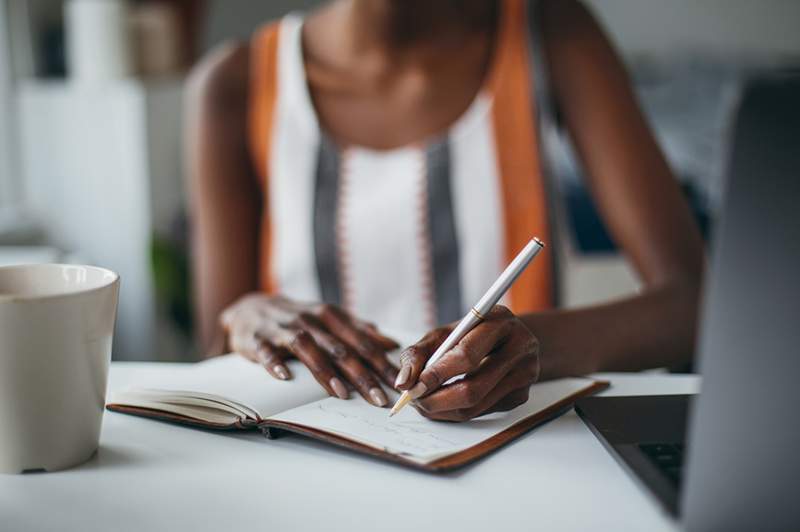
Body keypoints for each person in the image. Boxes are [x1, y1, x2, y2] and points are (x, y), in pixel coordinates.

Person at [186, 0, 704, 421]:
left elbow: (693, 305)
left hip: (520, 457)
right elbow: (215, 352)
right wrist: (245, 315)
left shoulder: (549, 34)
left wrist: (535, 345)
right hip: (310, 471)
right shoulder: (234, 83)